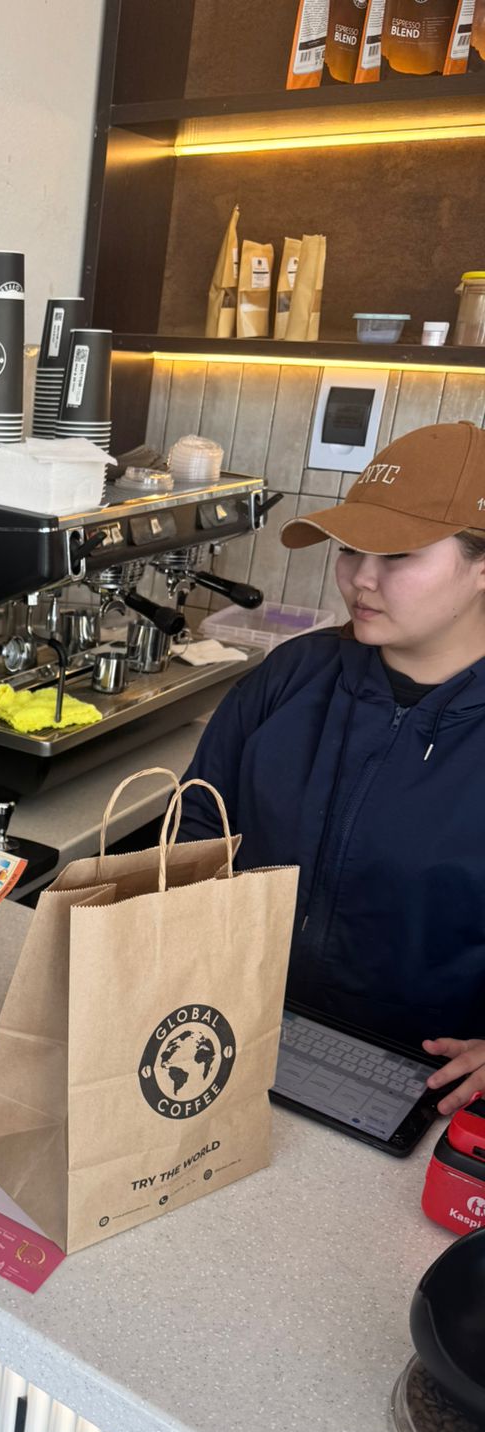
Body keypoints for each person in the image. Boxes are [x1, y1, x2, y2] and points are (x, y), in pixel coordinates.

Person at [177, 421, 485, 1119]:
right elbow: (196, 820)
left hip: (421, 1088)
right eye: (350, 549)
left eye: (397, 555)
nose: (360, 579)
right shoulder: (295, 674)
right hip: (231, 1036)